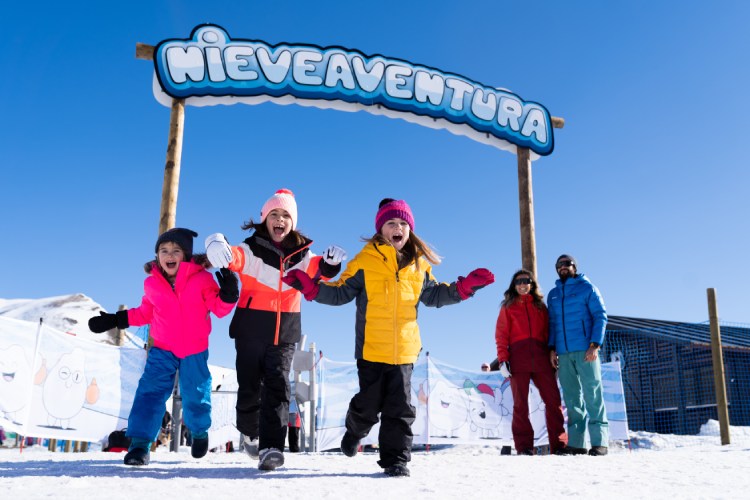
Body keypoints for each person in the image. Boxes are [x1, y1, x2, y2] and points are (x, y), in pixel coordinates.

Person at [283, 198, 495, 477]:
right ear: (380, 229)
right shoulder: (364, 261)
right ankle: (354, 429)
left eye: (403, 224)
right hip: (371, 349)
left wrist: (464, 288)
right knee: (368, 406)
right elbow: (339, 293)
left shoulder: (419, 266)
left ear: (410, 230)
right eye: (391, 223)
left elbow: (434, 295)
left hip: (405, 352)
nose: (398, 228)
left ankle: (396, 460)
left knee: (400, 408)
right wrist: (312, 289)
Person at [204, 188, 345, 471]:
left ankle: (272, 448)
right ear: (264, 219)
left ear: (292, 222)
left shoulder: (303, 255)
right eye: (274, 214)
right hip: (250, 330)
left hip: (285, 334)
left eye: (286, 215)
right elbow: (229, 256)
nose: (280, 219)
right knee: (249, 390)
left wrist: (332, 264)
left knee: (278, 389)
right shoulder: (250, 248)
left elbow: (321, 270)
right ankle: (250, 431)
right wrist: (214, 241)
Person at [88, 227, 238, 466]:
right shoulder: (152, 285)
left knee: (195, 394)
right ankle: (139, 446)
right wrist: (115, 320)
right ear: (157, 256)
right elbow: (144, 313)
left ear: (186, 256)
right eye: (164, 250)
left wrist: (229, 294)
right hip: (162, 349)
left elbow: (219, 309)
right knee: (149, 393)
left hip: (194, 350)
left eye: (176, 250)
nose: (170, 255)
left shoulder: (202, 279)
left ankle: (199, 432)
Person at [495, 269, 568, 456]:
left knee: (553, 400)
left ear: (532, 284)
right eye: (518, 282)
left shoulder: (540, 307)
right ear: (514, 285)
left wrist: (552, 351)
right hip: (518, 358)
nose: (522, 284)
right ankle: (524, 446)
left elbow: (549, 332)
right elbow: (501, 334)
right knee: (521, 404)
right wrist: (503, 359)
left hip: (541, 356)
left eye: (526, 281)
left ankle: (559, 445)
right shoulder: (508, 307)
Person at [547, 254, 609, 456]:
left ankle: (600, 442)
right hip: (563, 353)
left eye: (566, 264)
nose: (563, 267)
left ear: (574, 266)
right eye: (559, 265)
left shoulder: (587, 288)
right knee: (572, 398)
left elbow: (600, 316)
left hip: (586, 350)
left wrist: (595, 344)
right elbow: (553, 324)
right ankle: (577, 443)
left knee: (593, 394)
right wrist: (552, 348)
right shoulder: (553, 295)